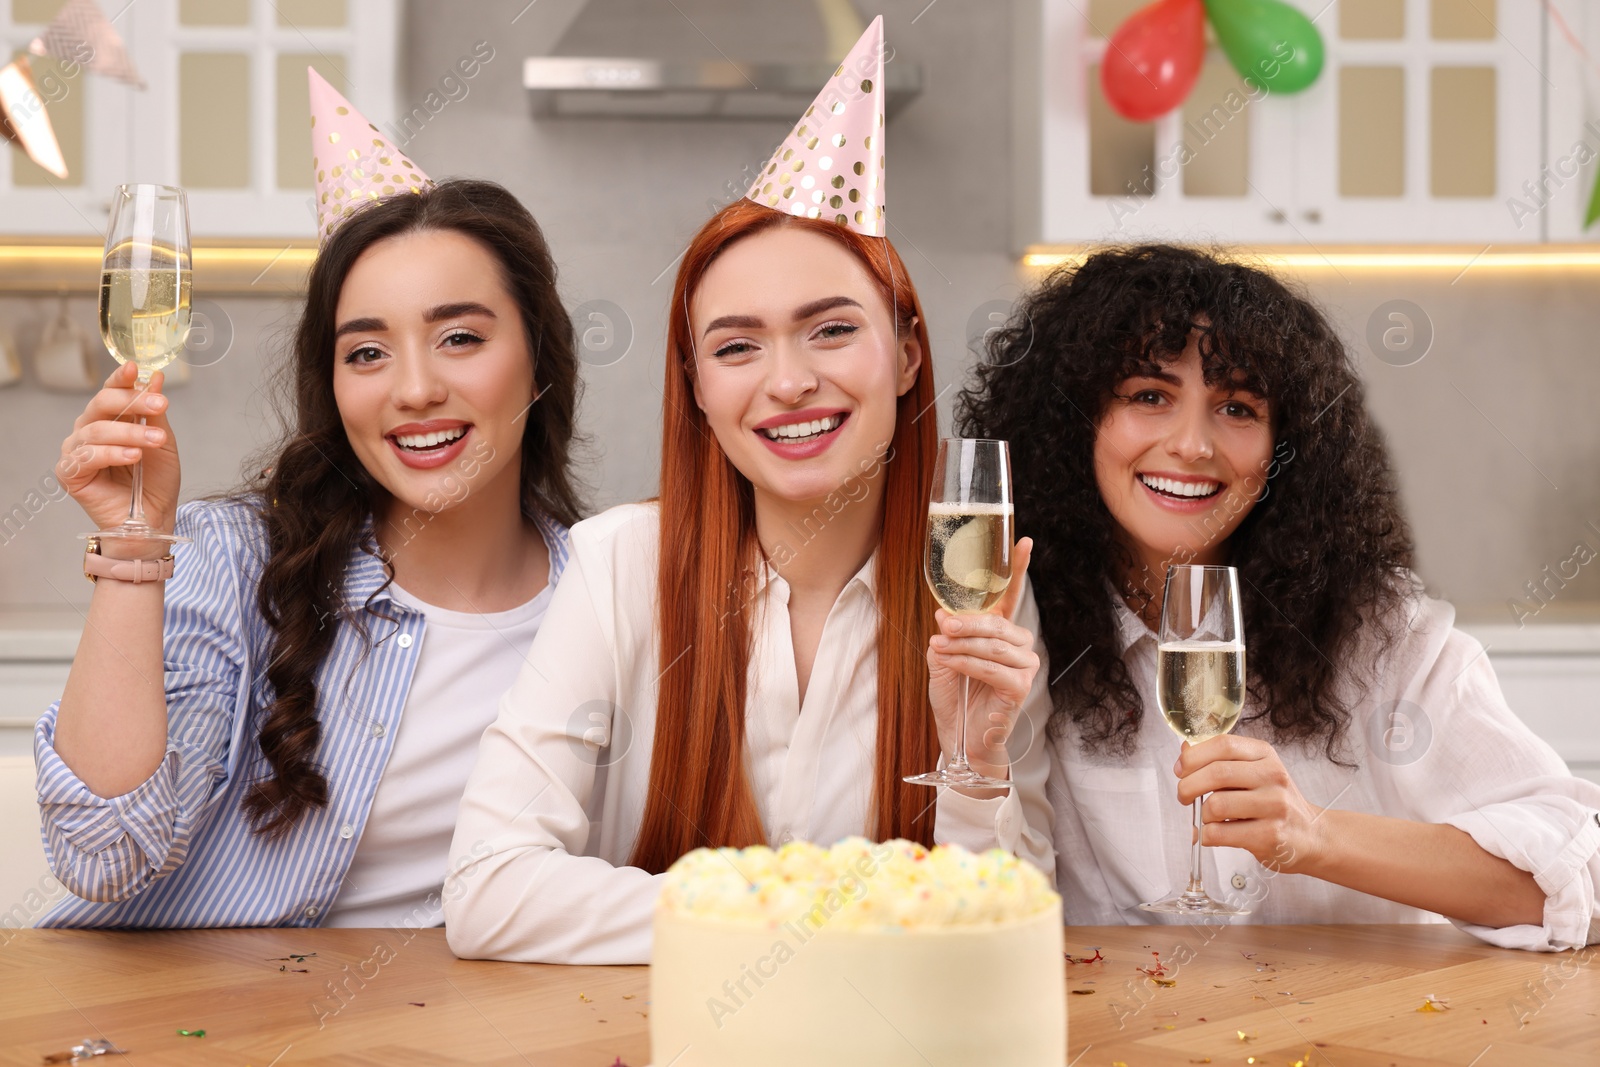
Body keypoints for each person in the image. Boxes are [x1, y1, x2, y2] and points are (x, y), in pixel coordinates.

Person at [36, 75, 584, 929]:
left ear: (541, 357)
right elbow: (101, 855)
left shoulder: (608, 597)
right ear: (332, 386)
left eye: (461, 337)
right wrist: (136, 539)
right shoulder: (230, 558)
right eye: (366, 351)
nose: (413, 388)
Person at [442, 202, 1053, 964]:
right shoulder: (617, 564)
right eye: (737, 347)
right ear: (697, 388)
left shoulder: (975, 580)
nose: (790, 381)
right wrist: (796, 909)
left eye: (832, 330)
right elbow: (485, 887)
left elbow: (1007, 933)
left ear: (906, 354)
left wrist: (975, 766)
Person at [959, 244, 1600, 951]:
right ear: (1076, 420)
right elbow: (981, 930)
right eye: (1149, 396)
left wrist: (1314, 833)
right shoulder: (1021, 622)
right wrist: (977, 752)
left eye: (1237, 406)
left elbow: (1580, 876)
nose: (1193, 444)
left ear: (1282, 447)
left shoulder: (1378, 631)